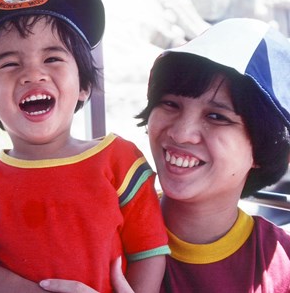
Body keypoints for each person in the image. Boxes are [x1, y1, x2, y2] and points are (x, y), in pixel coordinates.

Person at [0, 0, 170, 293]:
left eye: (52, 58)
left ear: (83, 86)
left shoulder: (121, 160)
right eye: (9, 63)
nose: (33, 73)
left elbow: (148, 253)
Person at [39, 18, 290, 293]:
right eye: (170, 104)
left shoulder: (282, 266)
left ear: (262, 148)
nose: (182, 133)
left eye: (217, 116)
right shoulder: (93, 227)